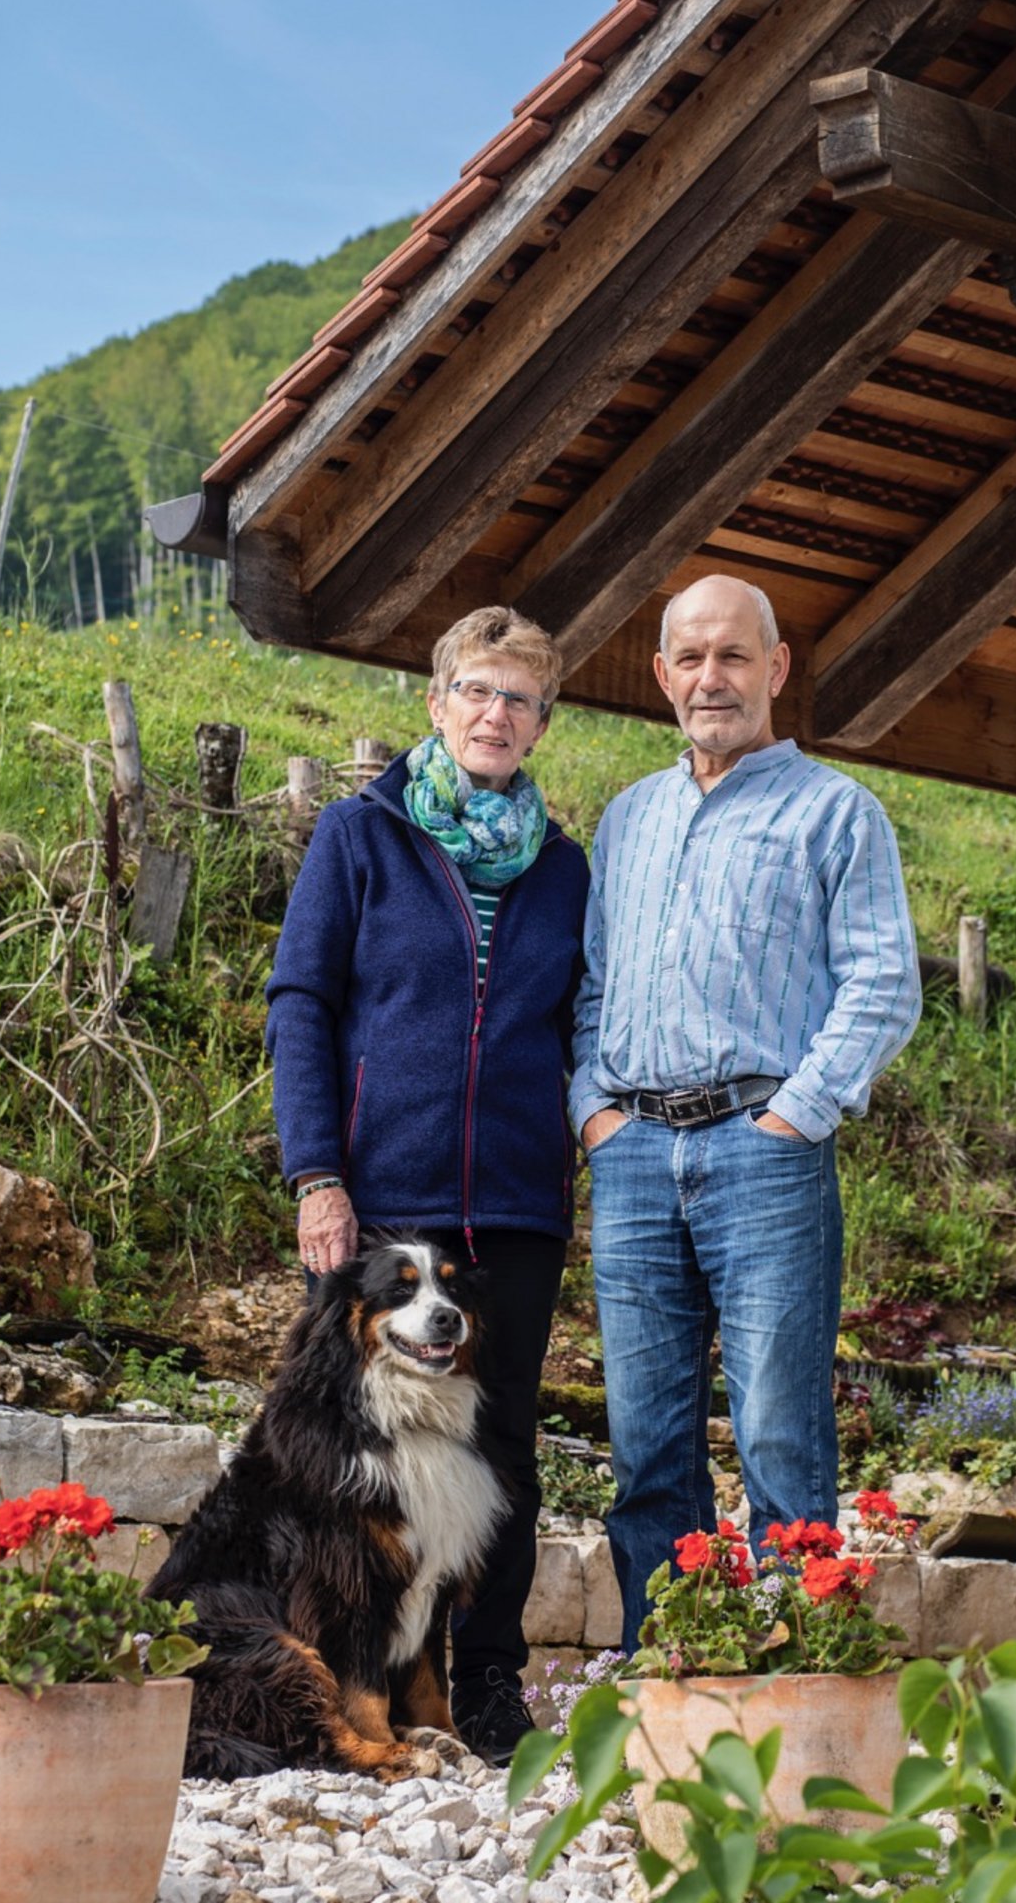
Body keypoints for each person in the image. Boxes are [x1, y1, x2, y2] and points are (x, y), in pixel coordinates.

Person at [570, 574, 921, 1654]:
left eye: (732, 656)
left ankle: (789, 1673)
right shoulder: (627, 818)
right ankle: (661, 1668)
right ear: (662, 674)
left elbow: (880, 983)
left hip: (763, 1150)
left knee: (777, 1434)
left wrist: (796, 1116)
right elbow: (589, 989)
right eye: (689, 657)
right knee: (646, 1444)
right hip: (630, 1156)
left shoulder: (835, 813)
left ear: (773, 669)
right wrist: (593, 1114)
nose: (709, 677)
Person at [265, 605, 589, 1762]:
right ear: (436, 704)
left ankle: (485, 1687)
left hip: (511, 1204)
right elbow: (300, 1003)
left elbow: (574, 1022)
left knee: (497, 1448)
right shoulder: (361, 836)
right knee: (345, 1449)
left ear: (541, 724)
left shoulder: (562, 868)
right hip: (379, 1201)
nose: (495, 715)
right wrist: (317, 1176)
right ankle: (329, 1681)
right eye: (477, 692)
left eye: (519, 700)